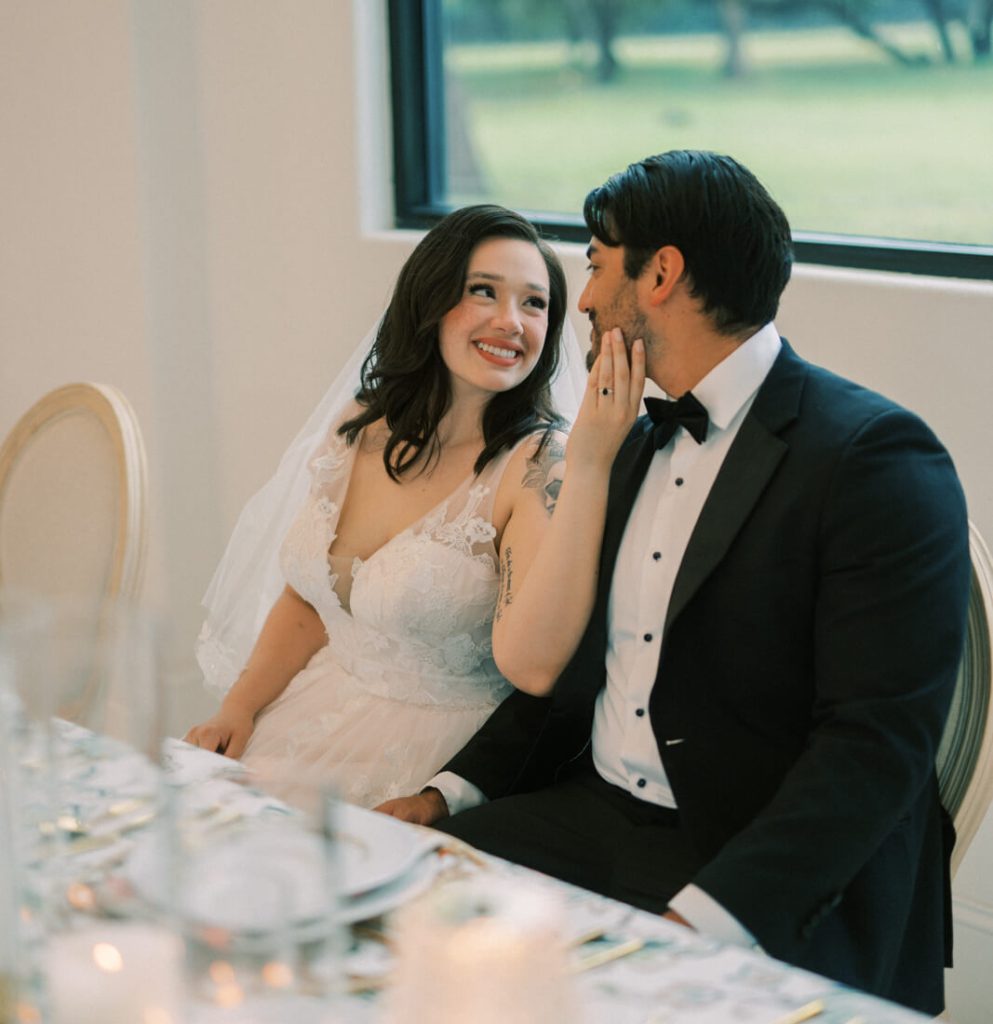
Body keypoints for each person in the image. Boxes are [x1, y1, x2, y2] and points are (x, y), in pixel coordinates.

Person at [378, 153, 971, 1015]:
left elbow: (874, 746)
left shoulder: (874, 458)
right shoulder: (625, 434)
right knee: (393, 933)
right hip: (589, 815)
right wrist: (448, 793)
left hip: (755, 858)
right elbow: (573, 675)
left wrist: (704, 919)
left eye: (591, 263)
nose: (579, 301)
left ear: (659, 273)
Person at [184, 204, 644, 808]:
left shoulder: (538, 464)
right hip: (309, 713)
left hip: (430, 761)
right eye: (484, 292)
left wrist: (588, 466)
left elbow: (535, 670)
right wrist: (240, 707)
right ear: (429, 301)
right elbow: (308, 600)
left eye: (534, 304)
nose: (511, 322)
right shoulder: (361, 425)